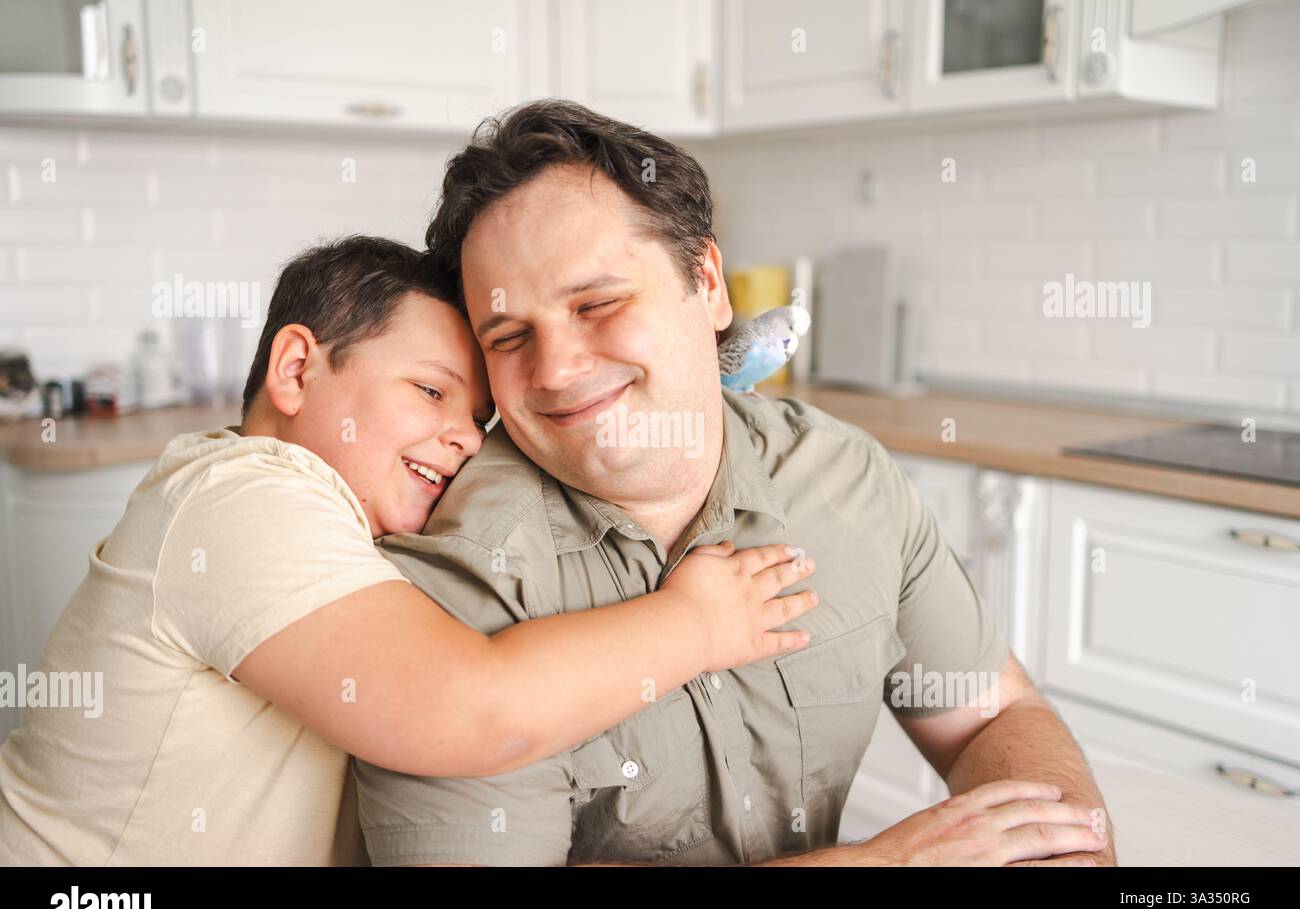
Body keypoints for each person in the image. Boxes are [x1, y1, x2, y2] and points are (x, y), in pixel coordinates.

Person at [353, 100, 1116, 867]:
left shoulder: (844, 480)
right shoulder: (461, 586)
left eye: (598, 303)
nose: (554, 371)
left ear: (709, 283)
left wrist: (1066, 851)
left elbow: (991, 716)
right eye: (510, 337)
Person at [0, 236, 817, 865]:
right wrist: (697, 624)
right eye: (429, 391)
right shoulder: (242, 495)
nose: (464, 439)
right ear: (296, 370)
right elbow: (474, 710)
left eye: (479, 417)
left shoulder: (337, 525)